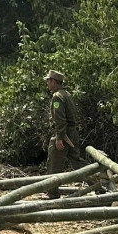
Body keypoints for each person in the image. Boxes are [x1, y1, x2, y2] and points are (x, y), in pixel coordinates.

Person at [44, 70, 79, 198]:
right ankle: (97, 183)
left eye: (48, 80)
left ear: (53, 82)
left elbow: (60, 119)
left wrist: (59, 138)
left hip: (64, 133)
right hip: (72, 132)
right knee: (77, 161)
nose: (47, 83)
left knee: (54, 162)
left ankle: (52, 192)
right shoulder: (66, 94)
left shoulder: (57, 96)